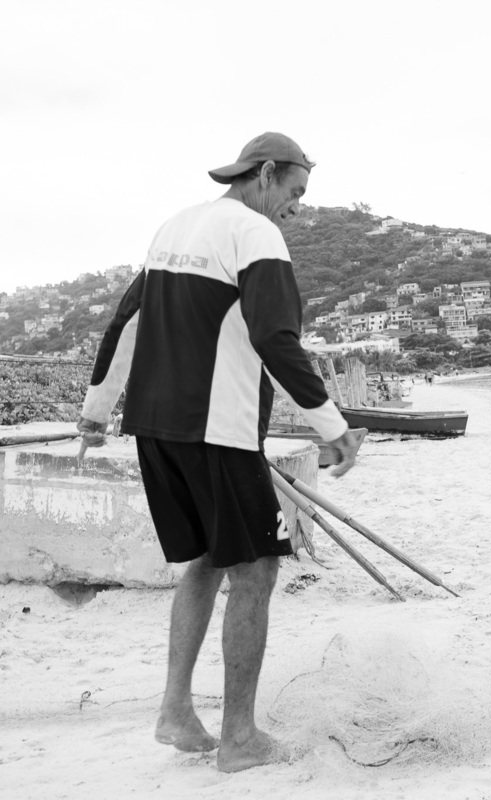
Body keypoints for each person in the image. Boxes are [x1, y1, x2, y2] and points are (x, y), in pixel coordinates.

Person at [75, 132, 360, 773]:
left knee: (203, 562)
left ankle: (176, 711)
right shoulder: (255, 235)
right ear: (264, 173)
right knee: (256, 569)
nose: (296, 208)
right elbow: (275, 338)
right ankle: (240, 739)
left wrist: (97, 410)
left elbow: (123, 325)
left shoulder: (173, 226)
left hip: (154, 427)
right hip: (217, 431)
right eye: (294, 192)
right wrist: (331, 424)